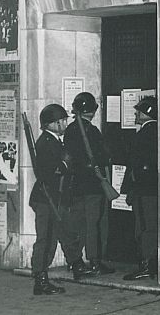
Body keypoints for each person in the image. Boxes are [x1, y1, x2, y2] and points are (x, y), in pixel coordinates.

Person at [29, 104, 94, 295]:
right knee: (47, 239)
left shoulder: (56, 140)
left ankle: (76, 264)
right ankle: (40, 280)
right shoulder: (46, 143)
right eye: (63, 120)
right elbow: (52, 172)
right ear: (53, 124)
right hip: (48, 199)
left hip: (58, 197)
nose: (65, 123)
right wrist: (65, 163)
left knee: (66, 231)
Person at [63, 92, 112, 276]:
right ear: (92, 111)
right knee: (95, 224)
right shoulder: (92, 131)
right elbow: (103, 156)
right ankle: (95, 261)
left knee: (78, 224)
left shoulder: (69, 130)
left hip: (76, 186)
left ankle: (75, 261)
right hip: (93, 185)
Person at [121, 95, 159, 280]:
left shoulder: (145, 134)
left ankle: (146, 264)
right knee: (149, 226)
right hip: (151, 189)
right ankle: (150, 263)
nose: (136, 114)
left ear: (147, 113)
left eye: (139, 111)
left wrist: (132, 188)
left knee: (144, 227)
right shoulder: (156, 131)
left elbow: (136, 165)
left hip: (144, 191)